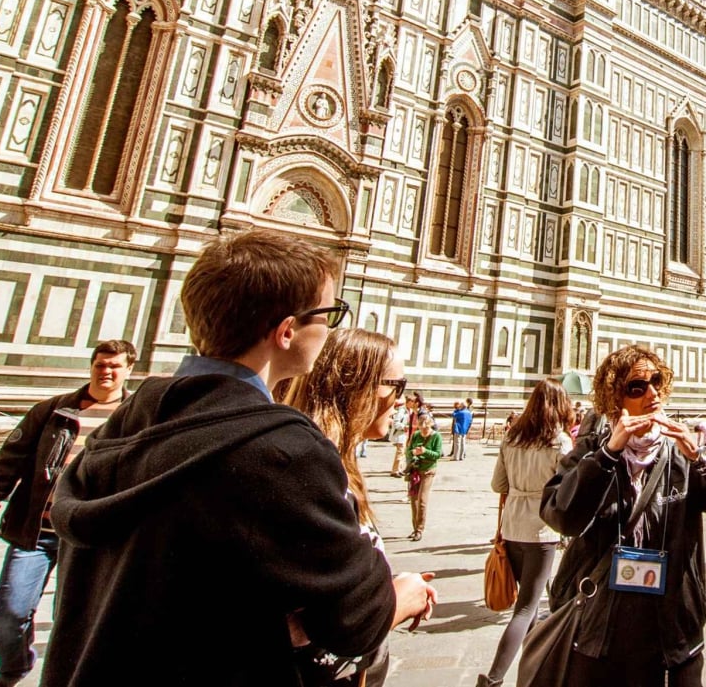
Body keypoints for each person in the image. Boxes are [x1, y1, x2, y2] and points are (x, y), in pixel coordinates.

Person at [43, 228, 434, 685]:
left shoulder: (128, 421)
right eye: (328, 314)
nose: (330, 330)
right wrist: (402, 595)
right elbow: (354, 620)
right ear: (287, 331)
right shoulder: (281, 450)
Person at [541, 344, 706, 686]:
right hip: (601, 633)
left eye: (657, 381)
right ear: (615, 399)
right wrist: (609, 455)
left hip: (673, 632)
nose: (652, 392)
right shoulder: (593, 454)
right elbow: (561, 516)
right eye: (637, 387)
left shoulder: (681, 458)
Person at [0, 339, 135, 687]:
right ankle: (15, 666)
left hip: (88, 535)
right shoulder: (54, 411)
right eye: (101, 365)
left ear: (129, 369)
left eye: (115, 366)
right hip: (37, 531)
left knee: (72, 620)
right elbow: (9, 462)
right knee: (10, 611)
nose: (107, 372)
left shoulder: (134, 418)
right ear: (92, 366)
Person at [278, 328, 432, 686]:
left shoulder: (331, 466)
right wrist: (395, 600)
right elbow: (325, 620)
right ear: (358, 386)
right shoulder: (307, 472)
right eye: (396, 384)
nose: (400, 399)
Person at [479, 379, 575, 687]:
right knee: (526, 608)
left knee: (530, 604)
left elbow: (498, 485)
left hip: (512, 528)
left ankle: (533, 673)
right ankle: (493, 679)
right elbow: (568, 490)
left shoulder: (512, 438)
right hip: (542, 529)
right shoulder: (560, 442)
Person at [405, 412, 443, 540]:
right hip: (415, 470)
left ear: (430, 426)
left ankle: (420, 529)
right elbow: (408, 451)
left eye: (426, 428)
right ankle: (415, 528)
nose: (423, 430)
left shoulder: (436, 436)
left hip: (428, 471)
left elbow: (438, 454)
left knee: (422, 500)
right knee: (413, 500)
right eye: (421, 428)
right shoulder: (415, 435)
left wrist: (425, 451)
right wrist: (413, 452)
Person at [388, 396, 411, 476]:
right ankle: (395, 470)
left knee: (402, 453)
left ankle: (399, 468)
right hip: (400, 434)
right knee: (400, 452)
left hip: (405, 435)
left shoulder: (409, 411)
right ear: (408, 402)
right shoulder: (402, 410)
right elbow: (396, 423)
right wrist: (404, 427)